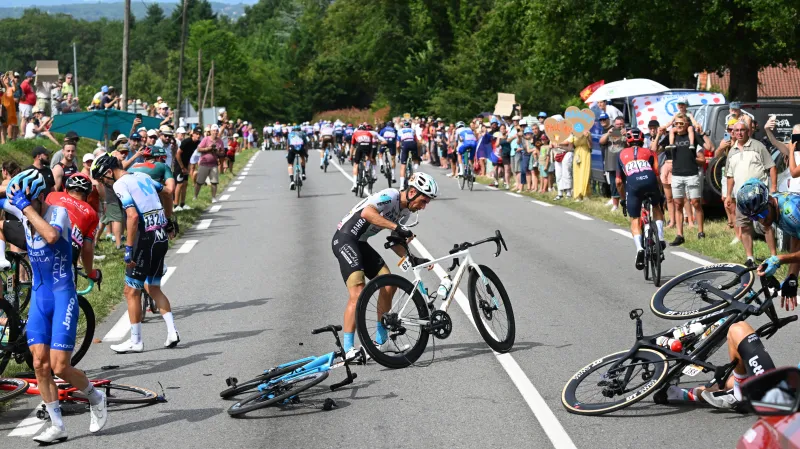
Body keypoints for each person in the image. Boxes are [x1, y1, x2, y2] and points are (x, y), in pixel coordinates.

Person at [1, 169, 107, 443]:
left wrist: (24, 207)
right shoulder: (25, 206)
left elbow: (50, 236)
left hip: (62, 295)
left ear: (39, 198)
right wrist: (11, 194)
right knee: (39, 363)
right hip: (40, 296)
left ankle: (95, 396)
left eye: (28, 203)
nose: (22, 208)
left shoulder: (58, 213)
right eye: (22, 204)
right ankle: (58, 425)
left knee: (60, 367)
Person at [332, 172, 438, 359]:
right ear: (412, 192)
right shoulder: (391, 195)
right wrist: (397, 227)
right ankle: (348, 350)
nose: (423, 207)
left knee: (389, 285)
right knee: (358, 293)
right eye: (423, 201)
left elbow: (395, 242)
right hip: (345, 239)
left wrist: (412, 258)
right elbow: (367, 213)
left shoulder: (405, 213)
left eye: (426, 203)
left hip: (361, 243)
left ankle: (382, 341)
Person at [91, 154, 179, 353]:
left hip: (144, 238)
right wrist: (168, 219)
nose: (104, 183)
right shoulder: (142, 177)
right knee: (153, 287)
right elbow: (167, 192)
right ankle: (172, 332)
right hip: (160, 235)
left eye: (103, 179)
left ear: (109, 172)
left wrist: (129, 248)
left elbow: (132, 216)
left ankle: (136, 341)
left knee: (131, 291)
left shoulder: (120, 184)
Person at [724, 121, 777, 266]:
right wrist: (728, 195)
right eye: (736, 130)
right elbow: (730, 176)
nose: (739, 133)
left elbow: (772, 167)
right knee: (745, 227)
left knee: (766, 225)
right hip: (741, 198)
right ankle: (750, 258)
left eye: (742, 130)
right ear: (733, 133)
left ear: (748, 131)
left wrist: (773, 188)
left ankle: (774, 257)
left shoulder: (758, 146)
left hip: (759, 196)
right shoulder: (732, 152)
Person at [615, 129, 667, 269]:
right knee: (656, 206)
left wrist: (623, 199)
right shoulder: (650, 152)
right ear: (643, 140)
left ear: (627, 141)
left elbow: (618, 182)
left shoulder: (621, 154)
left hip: (633, 184)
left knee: (635, 218)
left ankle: (639, 249)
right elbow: (657, 175)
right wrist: (660, 194)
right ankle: (660, 238)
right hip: (650, 180)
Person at [659, 112, 709, 245]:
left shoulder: (693, 134)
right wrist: (659, 134)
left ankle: (701, 232)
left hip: (692, 174)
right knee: (678, 204)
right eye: (676, 124)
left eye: (681, 123)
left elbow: (710, 147)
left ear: (687, 124)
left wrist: (702, 133)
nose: (678, 126)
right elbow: (655, 149)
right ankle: (680, 235)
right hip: (676, 175)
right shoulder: (672, 135)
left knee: (696, 203)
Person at [194, 124, 222, 202]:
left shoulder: (220, 141)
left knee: (214, 182)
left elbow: (222, 153)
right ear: (211, 131)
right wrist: (208, 148)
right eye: (214, 131)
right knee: (199, 182)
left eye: (217, 131)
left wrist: (217, 152)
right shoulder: (206, 139)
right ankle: (195, 197)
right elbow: (199, 149)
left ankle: (213, 197)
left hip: (214, 164)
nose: (215, 132)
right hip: (204, 163)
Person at [397, 121, 419, 189]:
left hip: (405, 144)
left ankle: (401, 186)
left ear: (403, 126)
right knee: (416, 159)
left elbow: (397, 145)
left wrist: (399, 154)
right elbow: (417, 141)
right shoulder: (412, 130)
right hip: (412, 143)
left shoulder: (400, 131)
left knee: (403, 165)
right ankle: (415, 170)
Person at [287, 125, 308, 190]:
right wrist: (306, 154)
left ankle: (292, 181)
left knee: (290, 164)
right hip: (301, 148)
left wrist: (288, 153)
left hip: (292, 148)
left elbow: (288, 145)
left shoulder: (290, 134)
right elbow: (306, 144)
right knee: (302, 157)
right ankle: (303, 173)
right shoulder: (303, 133)